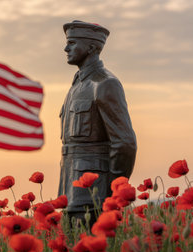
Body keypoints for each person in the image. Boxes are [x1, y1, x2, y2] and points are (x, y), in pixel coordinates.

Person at [58, 20, 137, 226]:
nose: (66, 48)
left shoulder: (105, 84)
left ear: (92, 47)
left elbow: (124, 143)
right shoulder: (79, 84)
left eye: (73, 43)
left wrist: (113, 191)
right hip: (71, 189)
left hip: (94, 195)